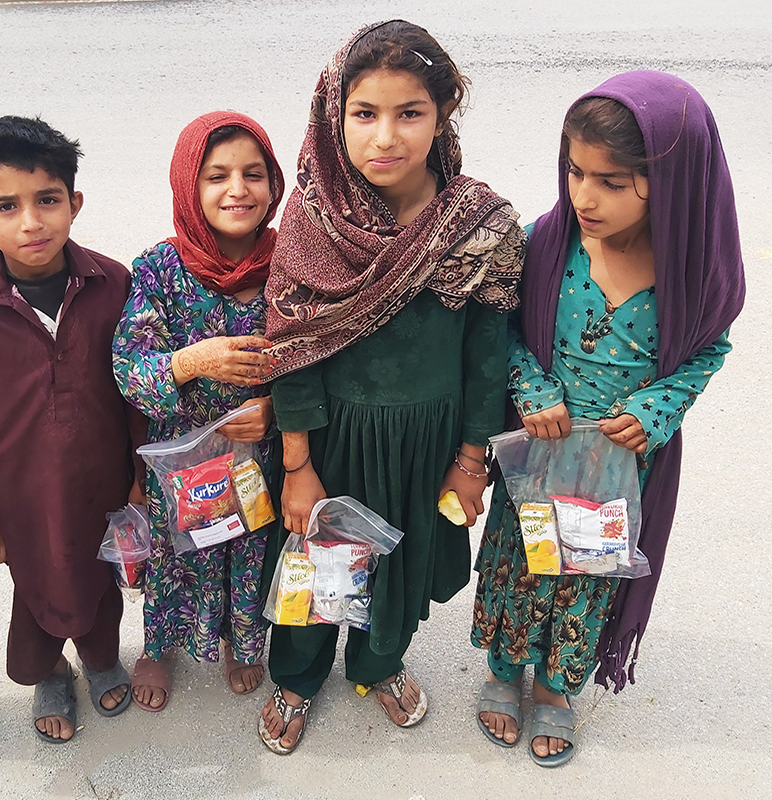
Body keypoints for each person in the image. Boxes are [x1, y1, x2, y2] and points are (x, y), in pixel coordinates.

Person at [258, 20, 525, 754]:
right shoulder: (315, 219)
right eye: (364, 114)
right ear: (333, 116)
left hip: (428, 443)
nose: (385, 137)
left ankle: (380, 664)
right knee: (316, 568)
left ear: (442, 116)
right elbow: (294, 348)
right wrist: (299, 465)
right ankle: (298, 677)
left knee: (402, 568)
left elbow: (487, 354)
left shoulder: (480, 226)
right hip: (333, 438)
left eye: (409, 113)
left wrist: (472, 460)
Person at [472, 71, 745, 766]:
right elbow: (496, 327)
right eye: (574, 170)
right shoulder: (548, 242)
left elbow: (710, 346)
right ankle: (506, 672)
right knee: (524, 559)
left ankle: (559, 687)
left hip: (617, 462)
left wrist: (655, 410)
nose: (583, 196)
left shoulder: (695, 272)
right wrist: (532, 387)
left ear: (674, 181)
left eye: (612, 182)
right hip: (539, 451)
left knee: (588, 571)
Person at [0, 116, 145, 744]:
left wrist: (139, 480)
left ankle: (99, 656)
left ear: (74, 203)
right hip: (21, 488)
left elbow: (137, 390)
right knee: (36, 579)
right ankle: (48, 668)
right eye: (7, 206)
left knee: (101, 573)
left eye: (47, 201)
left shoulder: (113, 282)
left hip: (102, 476)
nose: (31, 223)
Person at [113, 111, 284, 712]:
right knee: (174, 551)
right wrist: (193, 360)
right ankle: (160, 647)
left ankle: (242, 640)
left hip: (256, 455)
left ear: (274, 182)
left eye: (253, 173)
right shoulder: (159, 268)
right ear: (189, 186)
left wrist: (274, 411)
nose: (237, 189)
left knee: (247, 543)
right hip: (179, 455)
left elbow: (319, 358)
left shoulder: (292, 265)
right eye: (216, 176)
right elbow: (127, 369)